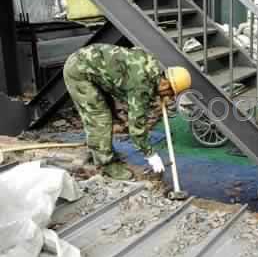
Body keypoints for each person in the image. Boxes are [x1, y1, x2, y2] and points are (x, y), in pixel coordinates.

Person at [63, 43, 191, 180]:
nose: (168, 97)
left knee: (107, 110)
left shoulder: (151, 66)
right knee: (99, 118)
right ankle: (106, 164)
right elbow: (136, 127)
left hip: (90, 65)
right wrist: (150, 154)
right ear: (166, 83)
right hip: (78, 72)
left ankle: (101, 151)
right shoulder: (141, 85)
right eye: (170, 93)